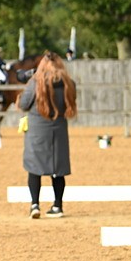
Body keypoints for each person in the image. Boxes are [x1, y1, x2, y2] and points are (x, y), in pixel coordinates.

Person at [17, 52, 76, 219]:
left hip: (37, 129)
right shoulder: (68, 83)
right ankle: (58, 205)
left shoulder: (36, 82)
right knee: (58, 169)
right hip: (59, 128)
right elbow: (70, 102)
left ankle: (35, 205)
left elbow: (24, 104)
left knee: (33, 167)